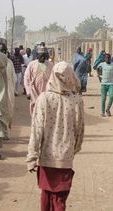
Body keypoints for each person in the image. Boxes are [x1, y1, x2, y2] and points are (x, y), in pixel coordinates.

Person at [27, 62, 84, 211]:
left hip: (46, 156)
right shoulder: (77, 101)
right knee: (60, 199)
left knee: (46, 195)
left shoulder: (44, 99)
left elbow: (37, 130)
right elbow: (80, 130)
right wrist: (73, 150)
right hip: (65, 158)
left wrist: (32, 157)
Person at [24, 47, 54, 115]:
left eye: (44, 55)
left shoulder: (50, 65)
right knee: (35, 110)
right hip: (34, 92)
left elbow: (54, 78)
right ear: (37, 55)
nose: (42, 57)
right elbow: (27, 78)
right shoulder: (32, 65)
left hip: (47, 92)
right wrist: (28, 92)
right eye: (41, 55)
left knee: (46, 110)